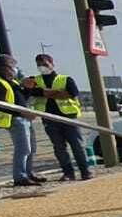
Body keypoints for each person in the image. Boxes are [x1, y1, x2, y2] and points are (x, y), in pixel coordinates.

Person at [21, 53, 90, 182]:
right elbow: (26, 93)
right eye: (39, 65)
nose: (42, 67)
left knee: (77, 145)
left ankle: (85, 171)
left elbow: (71, 93)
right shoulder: (34, 80)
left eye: (45, 64)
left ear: (52, 64)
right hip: (49, 119)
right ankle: (68, 173)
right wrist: (55, 92)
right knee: (59, 148)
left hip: (68, 117)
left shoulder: (65, 79)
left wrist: (42, 92)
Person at [0, 54, 42, 187]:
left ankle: (28, 173)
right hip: (15, 119)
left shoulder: (12, 82)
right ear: (4, 67)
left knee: (31, 148)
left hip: (24, 118)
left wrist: (27, 89)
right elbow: (0, 105)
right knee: (23, 149)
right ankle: (20, 177)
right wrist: (22, 112)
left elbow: (20, 99)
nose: (15, 69)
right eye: (12, 66)